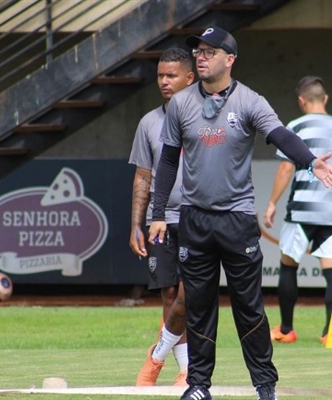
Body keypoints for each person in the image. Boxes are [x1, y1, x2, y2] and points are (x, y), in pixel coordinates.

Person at [148, 26, 332, 400]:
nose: (201, 57)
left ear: (229, 59)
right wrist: (158, 212)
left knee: (248, 309)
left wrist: (311, 161)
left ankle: (265, 387)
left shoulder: (250, 101)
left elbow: (281, 135)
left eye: (210, 51)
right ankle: (199, 386)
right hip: (195, 219)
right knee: (199, 308)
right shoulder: (182, 104)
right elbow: (168, 161)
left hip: (236, 220)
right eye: (198, 51)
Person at [263, 76, 332, 345]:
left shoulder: (295, 127)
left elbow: (285, 168)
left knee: (288, 265)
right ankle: (330, 332)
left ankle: (286, 329)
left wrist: (271, 203)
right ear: (325, 99)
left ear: (301, 101)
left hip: (302, 211)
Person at [128, 47, 194, 386]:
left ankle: (156, 356)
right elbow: (143, 176)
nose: (164, 82)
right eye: (160, 76)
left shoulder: (205, 116)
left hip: (198, 217)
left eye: (171, 76)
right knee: (169, 296)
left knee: (189, 294)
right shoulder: (149, 122)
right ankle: (185, 371)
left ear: (189, 77)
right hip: (161, 219)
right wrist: (135, 225)